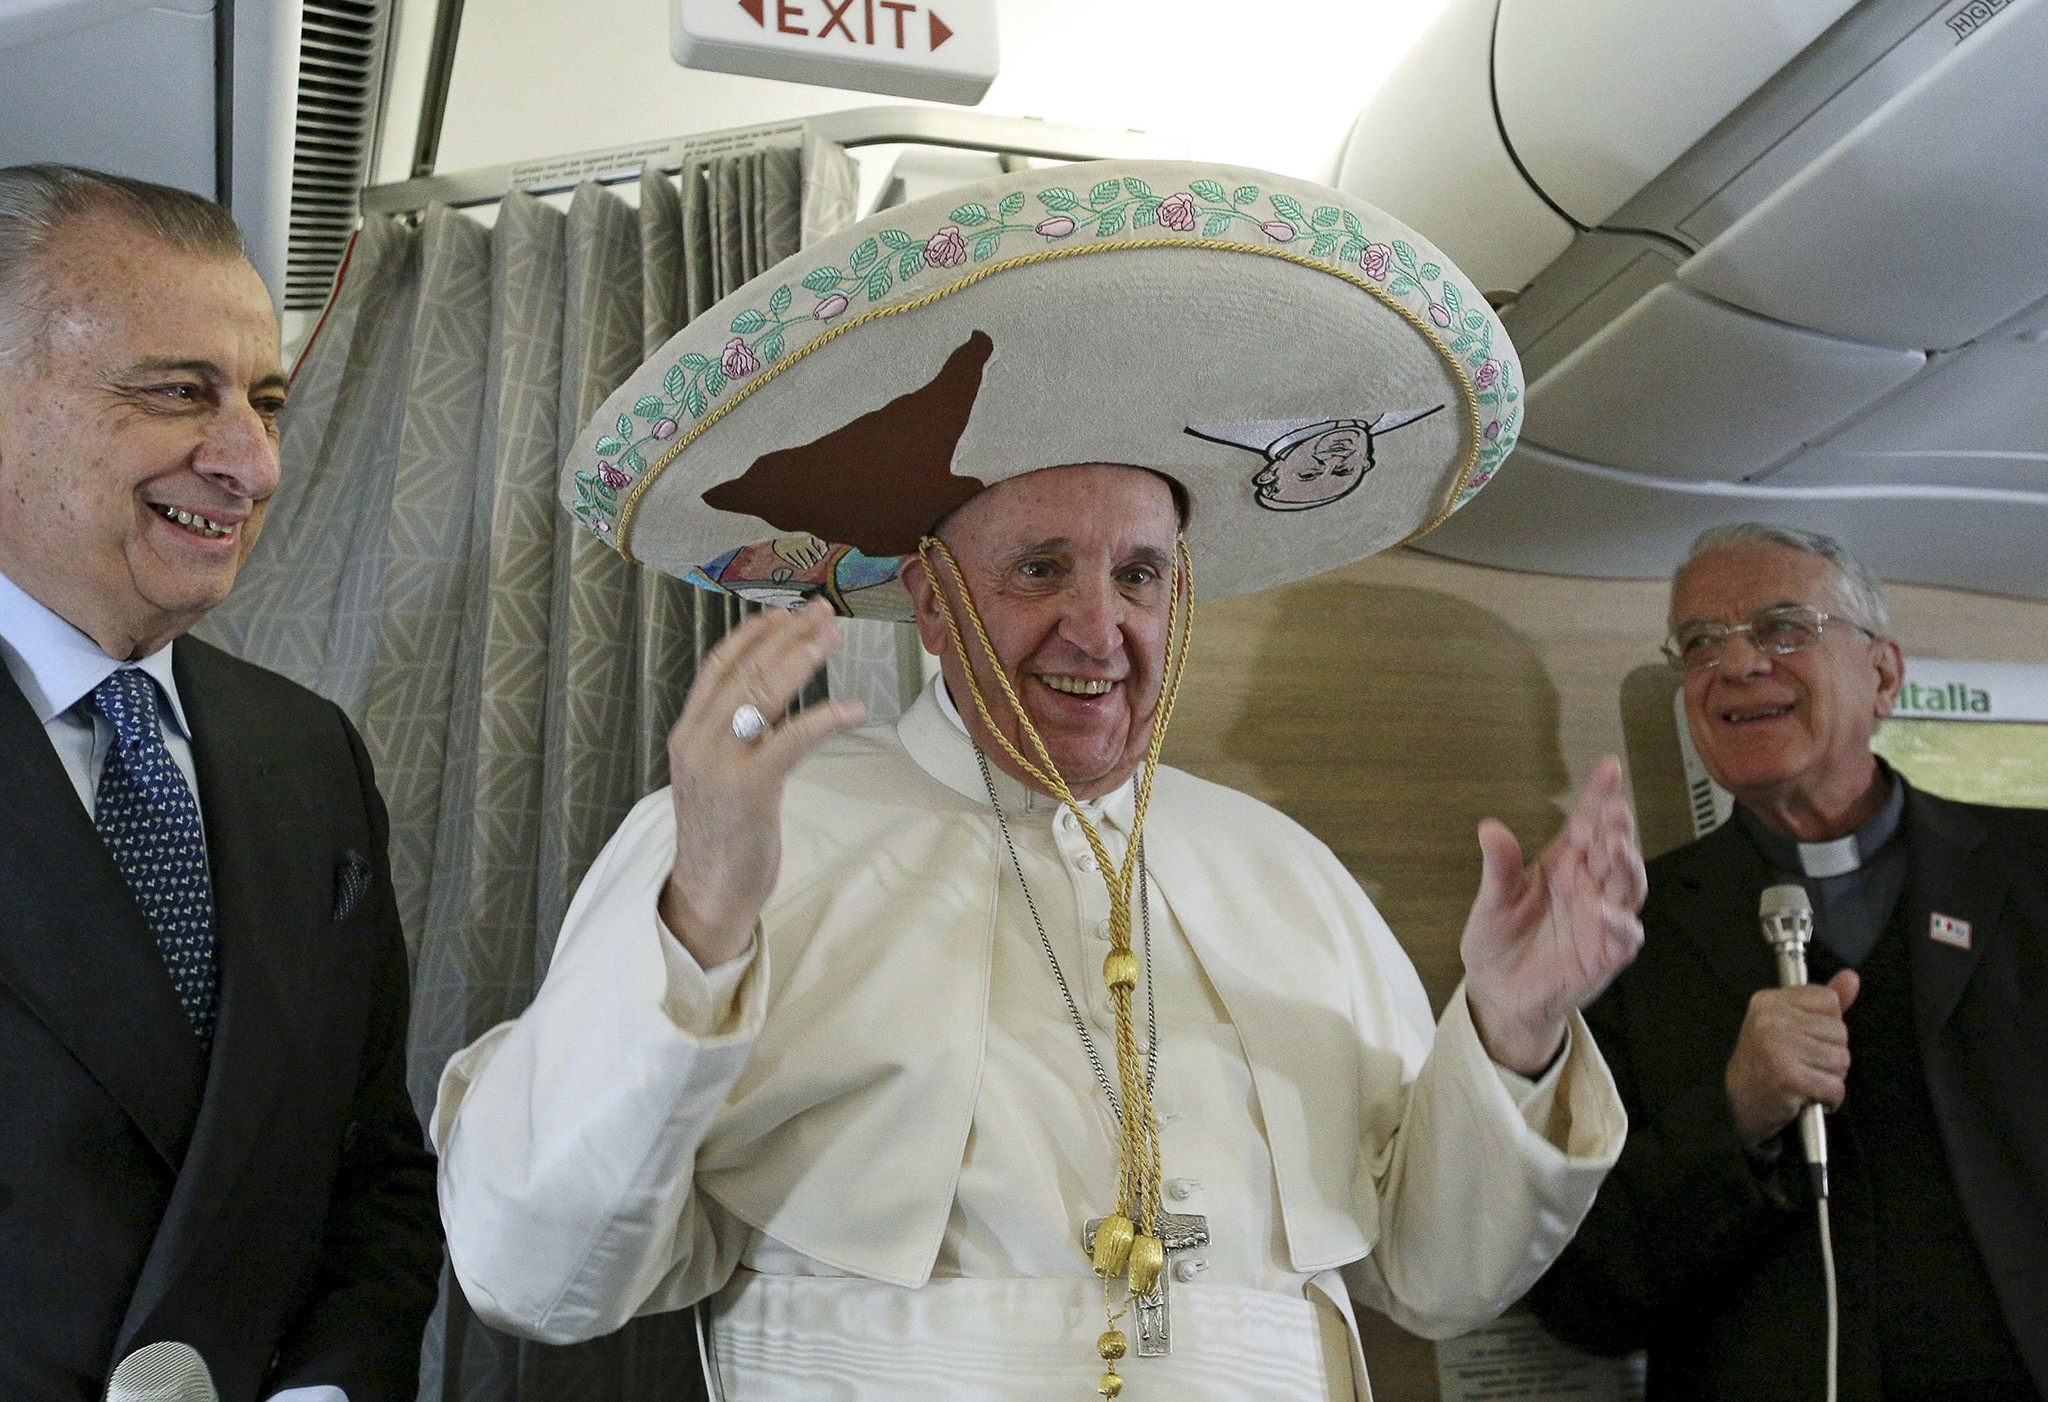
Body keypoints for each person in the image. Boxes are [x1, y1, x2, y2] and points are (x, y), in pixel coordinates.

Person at [434, 159, 1642, 1401]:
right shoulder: (746, 837)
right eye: (1037, 570)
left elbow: (1435, 1282)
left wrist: (1510, 1031)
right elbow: (535, 1275)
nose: (1095, 627)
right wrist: (694, 927)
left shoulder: (1282, 869)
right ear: (932, 605)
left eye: (1138, 576)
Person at [0, 165, 442, 1402]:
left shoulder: (307, 754)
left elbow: (374, 1171)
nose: (251, 466)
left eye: (264, 401)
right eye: (178, 393)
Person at [1525, 522, 2047, 1400]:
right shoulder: (1612, 941)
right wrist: (1734, 1116)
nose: (1736, 665)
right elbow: (1582, 1299)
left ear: (1883, 674)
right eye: (1700, 643)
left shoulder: (2034, 874)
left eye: (1782, 628)